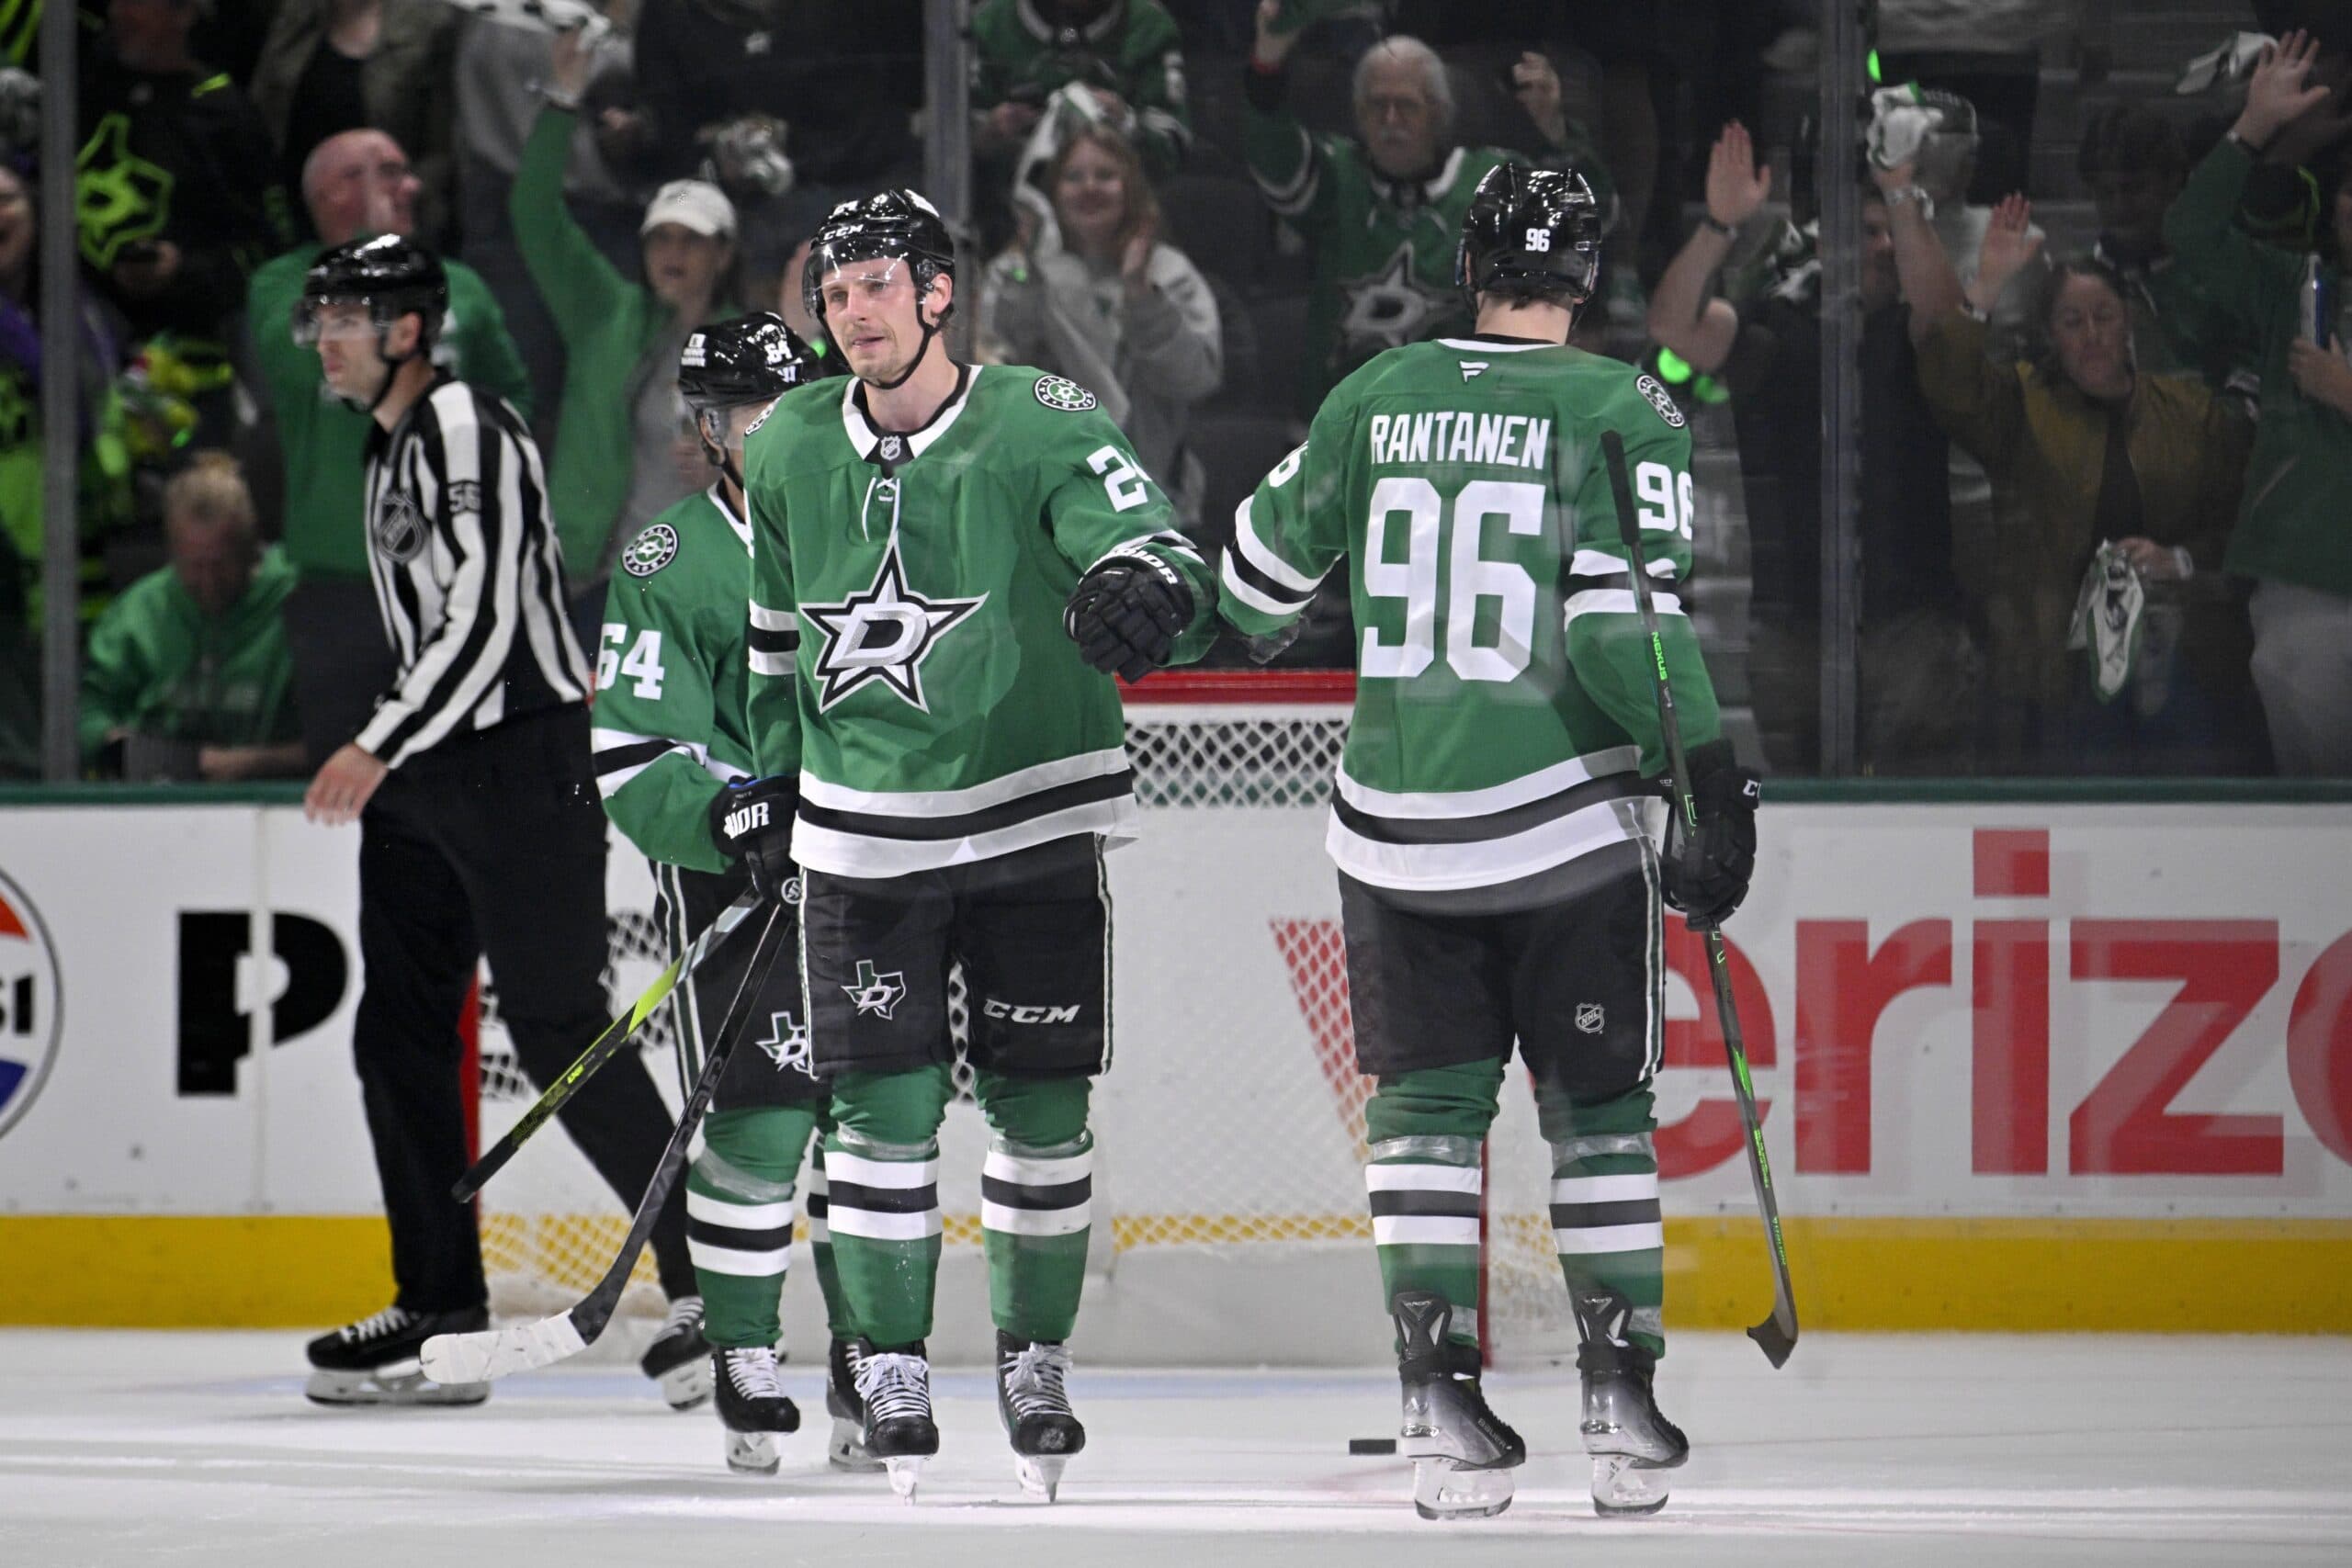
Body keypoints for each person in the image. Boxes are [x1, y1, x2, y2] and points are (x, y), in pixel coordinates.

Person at [1217, 164, 1758, 1522]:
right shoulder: (1622, 405)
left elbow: (1250, 585)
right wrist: (1707, 775)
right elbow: (1613, 627)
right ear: (1589, 276)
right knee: (1598, 1116)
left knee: (1422, 1115)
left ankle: (1435, 1403)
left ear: (1470, 265)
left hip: (1392, 825)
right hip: (1564, 826)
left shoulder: (1375, 394)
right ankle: (1619, 1399)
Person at [728, 189, 1217, 1499]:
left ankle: (1032, 1357)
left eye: (879, 285)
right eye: (835, 295)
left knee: (1042, 1114)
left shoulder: (1039, 419)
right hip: (865, 832)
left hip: (1033, 816)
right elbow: (775, 640)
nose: (855, 312)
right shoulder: (780, 445)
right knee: (877, 1119)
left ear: (939, 292)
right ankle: (887, 1357)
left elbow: (1149, 539)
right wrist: (771, 782)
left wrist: (1147, 583)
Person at [290, 235, 708, 1409]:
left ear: (409, 330)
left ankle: (705, 1289)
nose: (324, 338)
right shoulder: (385, 451)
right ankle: (439, 1305)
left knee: (561, 1025)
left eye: (345, 318)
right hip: (430, 771)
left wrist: (377, 737)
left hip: (518, 762)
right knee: (401, 1033)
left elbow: (479, 617)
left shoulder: (467, 424)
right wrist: (400, 748)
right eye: (319, 317)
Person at [592, 313, 872, 1475]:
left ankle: (871, 1350)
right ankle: (746, 1354)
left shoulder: (867, 527)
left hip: (871, 873)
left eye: (787, 403)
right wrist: (731, 813)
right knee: (758, 1121)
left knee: (872, 1127)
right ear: (709, 429)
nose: (774, 429)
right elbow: (633, 751)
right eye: (748, 413)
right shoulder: (668, 560)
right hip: (738, 890)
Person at [1646, 123, 1970, 773]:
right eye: (1864, 232)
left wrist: (1904, 197)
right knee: (1804, 806)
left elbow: (1948, 314)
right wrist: (1718, 223)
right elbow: (1673, 327)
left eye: (1888, 232)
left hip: (1913, 619)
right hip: (1793, 620)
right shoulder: (1774, 328)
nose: (1880, 247)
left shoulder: (1916, 333)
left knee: (1917, 808)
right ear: (1824, 244)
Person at [1902, 196, 2259, 773]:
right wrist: (1986, 288)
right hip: (2054, 663)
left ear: (2128, 324)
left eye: (2104, 317)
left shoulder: (2192, 415)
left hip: (2178, 653)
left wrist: (2181, 561)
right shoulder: (2022, 407)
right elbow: (1951, 386)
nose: (2091, 335)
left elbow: (2241, 525)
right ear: (2051, 337)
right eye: (2072, 322)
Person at [247, 128, 531, 767]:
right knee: (351, 777)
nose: (410, 187)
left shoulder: (461, 285)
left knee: (463, 773)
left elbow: (510, 392)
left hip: (457, 580)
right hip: (342, 592)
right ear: (332, 194)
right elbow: (301, 365)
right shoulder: (278, 287)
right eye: (388, 174)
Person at [1243, 4, 1609, 417]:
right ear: (1359, 115)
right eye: (1377, 106)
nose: (1390, 119)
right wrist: (1267, 61)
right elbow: (1272, 152)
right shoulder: (1337, 179)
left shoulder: (1490, 183)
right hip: (1337, 427)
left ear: (1438, 113)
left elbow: (1593, 219)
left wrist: (1557, 133)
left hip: (1456, 427)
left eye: (1406, 105)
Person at [519, 27, 748, 646]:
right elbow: (535, 217)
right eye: (661, 237)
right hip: (600, 582)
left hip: (710, 591)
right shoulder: (603, 315)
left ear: (723, 254)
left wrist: (730, 473)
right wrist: (564, 102)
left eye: (692, 239)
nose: (673, 253)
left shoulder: (755, 348)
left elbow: (798, 457)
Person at [2164, 31, 2352, 775]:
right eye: (2348, 189)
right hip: (2305, 582)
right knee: (2320, 830)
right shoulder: (2295, 288)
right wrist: (2253, 132)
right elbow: (2190, 233)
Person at [979, 123, 1222, 528]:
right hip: (1041, 501)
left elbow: (1195, 379)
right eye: (1074, 177)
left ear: (1130, 188)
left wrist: (1140, 293)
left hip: (1153, 503)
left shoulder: (1169, 271)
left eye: (1105, 176)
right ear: (1051, 192)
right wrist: (1026, 275)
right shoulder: (1018, 273)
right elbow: (994, 368)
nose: (1090, 187)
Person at [77, 0, 294, 343]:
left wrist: (182, 270)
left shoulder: (225, 115)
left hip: (186, 343)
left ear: (184, 12)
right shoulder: (85, 84)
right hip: (74, 321)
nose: (120, 12)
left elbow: (265, 249)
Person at [81, 454, 304, 782]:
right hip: (156, 803)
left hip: (277, 802)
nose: (208, 582)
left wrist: (247, 764)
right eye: (193, 567)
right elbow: (85, 712)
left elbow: (338, 740)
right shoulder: (139, 613)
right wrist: (117, 745)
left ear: (251, 547)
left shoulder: (297, 603)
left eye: (221, 565)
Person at [247, 0, 459, 245]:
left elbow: (439, 149)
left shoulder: (430, 24)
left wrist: (404, 212)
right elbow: (262, 106)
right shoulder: (297, 13)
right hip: (293, 211)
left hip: (384, 220)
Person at [971, 0, 1193, 180]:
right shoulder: (988, 22)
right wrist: (987, 133)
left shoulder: (1148, 26)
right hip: (1004, 213)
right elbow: (944, 152)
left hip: (1116, 218)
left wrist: (1126, 125)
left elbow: (1172, 148)